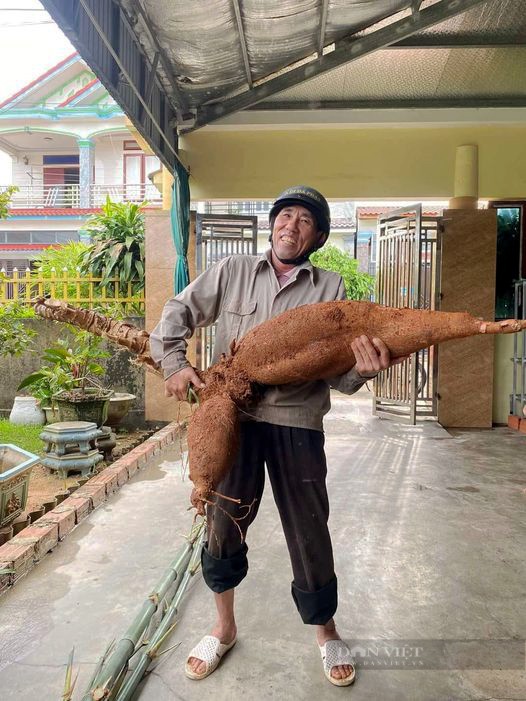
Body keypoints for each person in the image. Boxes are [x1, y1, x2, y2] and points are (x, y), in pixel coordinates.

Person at [150, 185, 402, 686]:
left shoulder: (331, 290)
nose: (291, 225)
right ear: (272, 225)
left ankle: (326, 632)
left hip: (297, 424)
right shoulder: (232, 271)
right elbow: (177, 313)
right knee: (222, 526)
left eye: (305, 221)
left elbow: (337, 372)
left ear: (320, 237)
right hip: (232, 422)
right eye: (285, 215)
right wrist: (174, 364)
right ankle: (223, 628)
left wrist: (365, 370)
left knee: (310, 531)